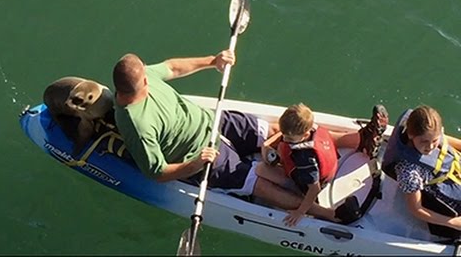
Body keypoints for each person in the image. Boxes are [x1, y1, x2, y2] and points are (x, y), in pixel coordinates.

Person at [112, 49, 326, 210]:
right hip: (200, 156)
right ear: (143, 82)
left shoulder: (144, 76)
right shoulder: (137, 126)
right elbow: (156, 173)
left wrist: (213, 61)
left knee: (272, 132)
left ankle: (346, 144)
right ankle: (323, 212)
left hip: (213, 121)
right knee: (259, 185)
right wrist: (193, 165)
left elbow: (172, 67)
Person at [257, 102, 389, 226]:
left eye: (290, 138)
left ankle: (326, 213)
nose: (285, 139)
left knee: (261, 169)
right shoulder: (312, 129)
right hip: (330, 165)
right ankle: (364, 139)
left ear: (305, 134)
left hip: (311, 184)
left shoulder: (304, 160)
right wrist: (266, 145)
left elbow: (314, 189)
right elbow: (285, 135)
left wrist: (300, 212)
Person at [382, 105, 461, 232]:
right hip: (449, 197)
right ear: (410, 135)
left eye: (434, 141)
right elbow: (416, 209)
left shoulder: (434, 134)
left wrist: (436, 140)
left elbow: (446, 143)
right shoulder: (408, 171)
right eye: (424, 141)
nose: (430, 147)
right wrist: (452, 222)